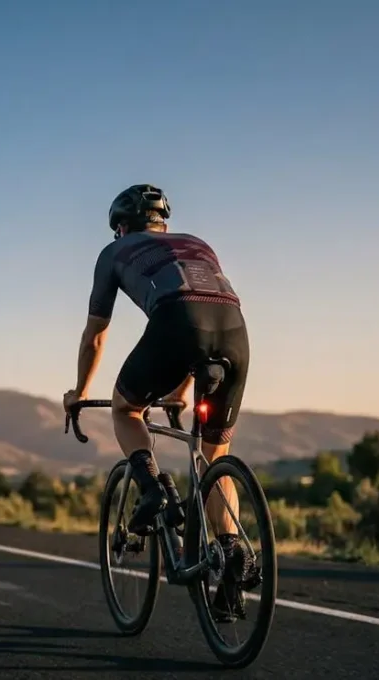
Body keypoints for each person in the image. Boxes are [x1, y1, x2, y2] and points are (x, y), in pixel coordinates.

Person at [61, 184, 258, 620]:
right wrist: (183, 391)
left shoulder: (114, 253)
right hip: (235, 333)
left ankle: (155, 490)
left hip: (175, 324)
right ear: (163, 223)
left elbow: (96, 334)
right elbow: (205, 311)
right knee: (215, 454)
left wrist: (78, 391)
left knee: (126, 409)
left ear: (121, 227)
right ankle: (229, 556)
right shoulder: (198, 245)